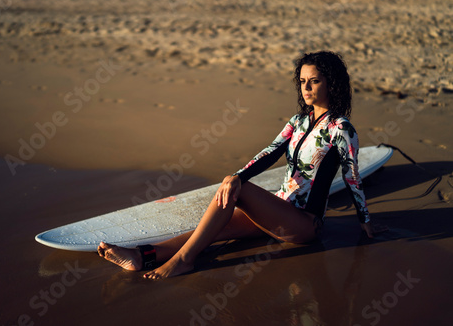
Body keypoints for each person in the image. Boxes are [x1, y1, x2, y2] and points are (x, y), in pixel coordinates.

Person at [98, 51, 384, 280]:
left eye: (314, 81)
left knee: (239, 190)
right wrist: (235, 175)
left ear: (331, 83)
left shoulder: (341, 128)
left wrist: (365, 220)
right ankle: (142, 256)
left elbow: (352, 177)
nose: (306, 87)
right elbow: (269, 153)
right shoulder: (299, 121)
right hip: (279, 209)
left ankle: (184, 261)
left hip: (305, 225)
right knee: (211, 229)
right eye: (302, 81)